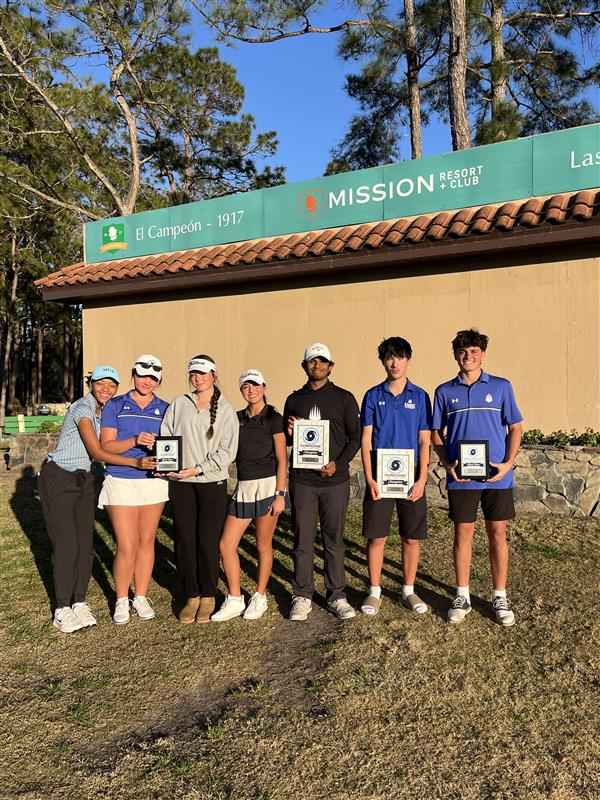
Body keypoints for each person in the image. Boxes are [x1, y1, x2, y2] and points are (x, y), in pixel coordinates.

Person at [38, 366, 156, 633]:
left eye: (111, 385)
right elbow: (97, 450)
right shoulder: (82, 409)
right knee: (67, 545)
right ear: (90, 383)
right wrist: (136, 461)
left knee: (85, 545)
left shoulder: (106, 412)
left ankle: (79, 601)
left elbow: (112, 443)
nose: (106, 389)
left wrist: (135, 439)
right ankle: (61, 607)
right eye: (101, 383)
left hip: (84, 480)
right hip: (59, 478)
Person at [432, 329, 523, 627]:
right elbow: (436, 433)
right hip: (462, 479)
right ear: (455, 355)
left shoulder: (501, 387)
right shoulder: (444, 391)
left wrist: (508, 463)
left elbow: (516, 428)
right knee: (463, 534)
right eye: (462, 352)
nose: (467, 356)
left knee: (497, 533)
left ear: (482, 354)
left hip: (497, 477)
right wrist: (447, 463)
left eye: (473, 351)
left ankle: (499, 595)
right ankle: (462, 595)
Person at [283, 342, 361, 621]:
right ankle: (302, 595)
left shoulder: (344, 398)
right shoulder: (294, 400)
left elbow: (355, 438)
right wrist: (291, 431)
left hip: (334, 481)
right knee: (302, 539)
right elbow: (288, 440)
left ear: (330, 366)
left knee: (333, 540)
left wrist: (337, 464)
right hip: (303, 481)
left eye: (322, 361)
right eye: (312, 362)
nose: (317, 366)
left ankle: (336, 594)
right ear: (304, 366)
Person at [160, 354, 239, 624]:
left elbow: (228, 451)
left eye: (202, 373)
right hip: (181, 484)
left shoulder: (226, 409)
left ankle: (208, 595)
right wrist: (166, 463)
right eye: (193, 373)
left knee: (206, 542)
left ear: (213, 375)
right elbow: (166, 436)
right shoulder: (179, 403)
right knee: (184, 541)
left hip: (210, 484)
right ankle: (191, 594)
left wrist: (197, 469)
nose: (197, 378)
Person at [360, 337, 432, 617]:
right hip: (380, 475)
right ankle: (374, 591)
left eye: (400, 357)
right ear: (383, 361)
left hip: (411, 476)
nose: (394, 363)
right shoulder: (372, 395)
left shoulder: (420, 396)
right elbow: (366, 440)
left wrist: (423, 478)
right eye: (389, 358)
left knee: (410, 538)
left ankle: (408, 590)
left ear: (408, 360)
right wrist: (370, 479)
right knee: (377, 537)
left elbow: (424, 441)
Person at [212, 369, 289, 622]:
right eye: (246, 387)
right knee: (226, 544)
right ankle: (235, 598)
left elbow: (281, 459)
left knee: (263, 544)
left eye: (255, 385)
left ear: (264, 387)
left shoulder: (274, 418)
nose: (251, 390)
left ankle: (259, 595)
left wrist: (280, 494)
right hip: (243, 488)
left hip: (267, 488)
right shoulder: (236, 419)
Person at [99, 355, 169, 625]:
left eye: (153, 377)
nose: (147, 381)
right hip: (121, 479)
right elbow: (106, 447)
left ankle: (140, 595)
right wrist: (134, 440)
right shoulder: (115, 405)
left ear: (159, 379)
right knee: (126, 545)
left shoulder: (165, 407)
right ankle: (120, 599)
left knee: (146, 541)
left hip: (153, 481)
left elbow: (171, 446)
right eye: (142, 375)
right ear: (133, 374)